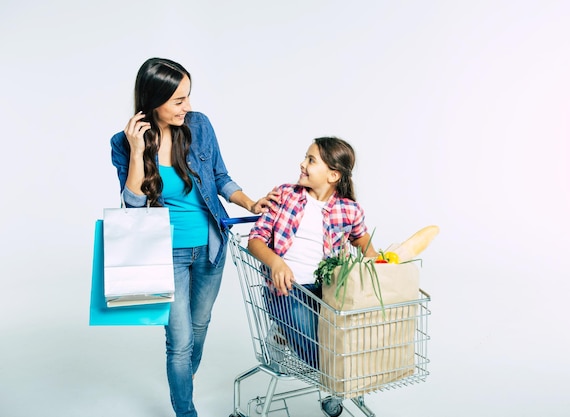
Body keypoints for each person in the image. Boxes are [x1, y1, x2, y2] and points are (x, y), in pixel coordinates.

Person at [110, 57, 276, 417]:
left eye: (189, 97)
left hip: (210, 249)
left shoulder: (199, 126)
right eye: (178, 101)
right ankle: (186, 411)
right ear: (154, 100)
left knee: (199, 328)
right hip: (165, 256)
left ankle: (185, 377)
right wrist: (138, 153)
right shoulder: (124, 143)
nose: (188, 107)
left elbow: (219, 176)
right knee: (179, 342)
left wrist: (250, 201)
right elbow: (133, 207)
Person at [247, 136, 378, 368]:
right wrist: (276, 263)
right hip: (287, 290)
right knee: (318, 356)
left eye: (311, 160)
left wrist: (379, 264)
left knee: (345, 345)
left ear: (333, 175)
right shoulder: (284, 195)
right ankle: (284, 332)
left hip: (329, 292)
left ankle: (334, 387)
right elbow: (255, 240)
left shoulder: (349, 209)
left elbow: (361, 239)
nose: (302, 164)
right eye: (306, 158)